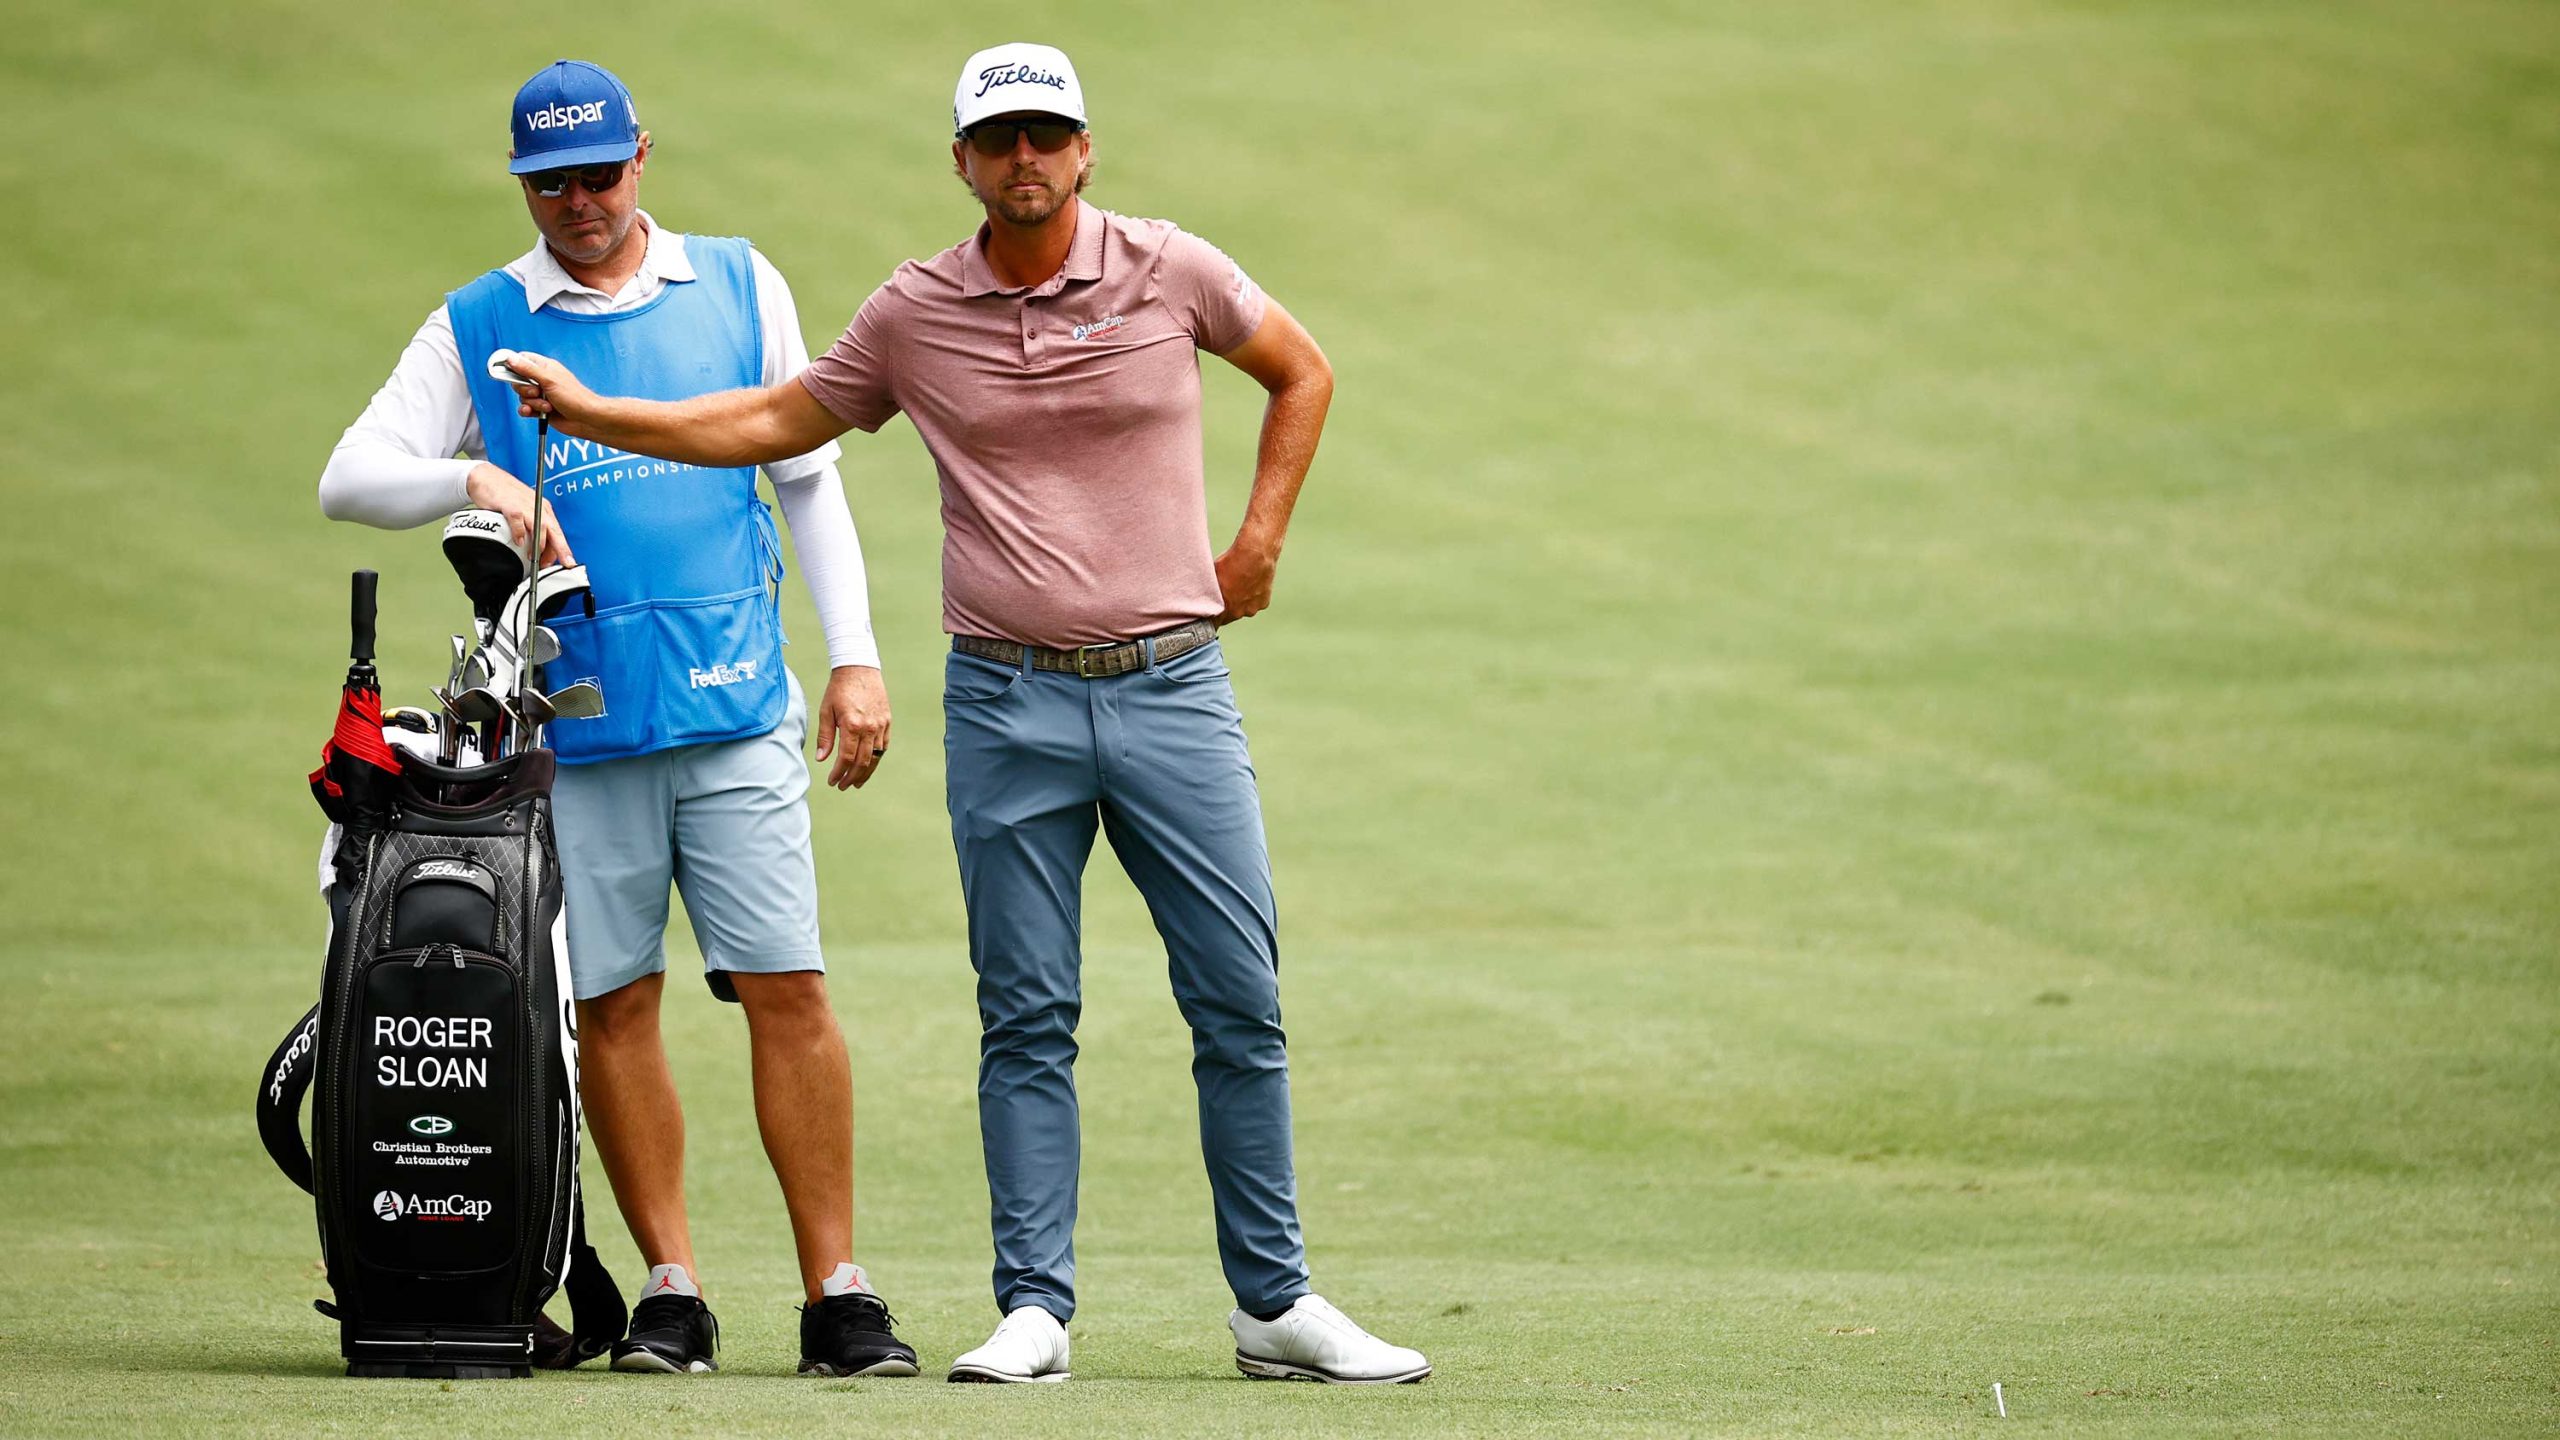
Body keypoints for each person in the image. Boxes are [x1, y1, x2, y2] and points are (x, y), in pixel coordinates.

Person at [497, 41, 1431, 1386]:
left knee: (1237, 999)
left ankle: (1274, 1304)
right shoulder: (916, 311)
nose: (1026, 160)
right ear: (964, 162)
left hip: (1173, 688)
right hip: (1006, 703)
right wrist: (603, 412)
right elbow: (772, 417)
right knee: (1027, 1012)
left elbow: (1303, 369)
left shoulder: (1169, 267)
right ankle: (1035, 1311)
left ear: (1085, 147)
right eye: (999, 143)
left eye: (1048, 136)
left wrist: (1260, 544)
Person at [315, 58, 918, 1380]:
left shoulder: (737, 282)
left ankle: (839, 1293)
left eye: (600, 174)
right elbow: (348, 477)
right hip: (572, 738)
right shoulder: (481, 319)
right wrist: (472, 469)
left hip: (735, 708)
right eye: (550, 183)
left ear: (644, 156)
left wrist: (857, 660)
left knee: (789, 988)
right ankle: (673, 1291)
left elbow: (807, 479)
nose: (579, 204)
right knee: (613, 1003)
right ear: (522, 181)